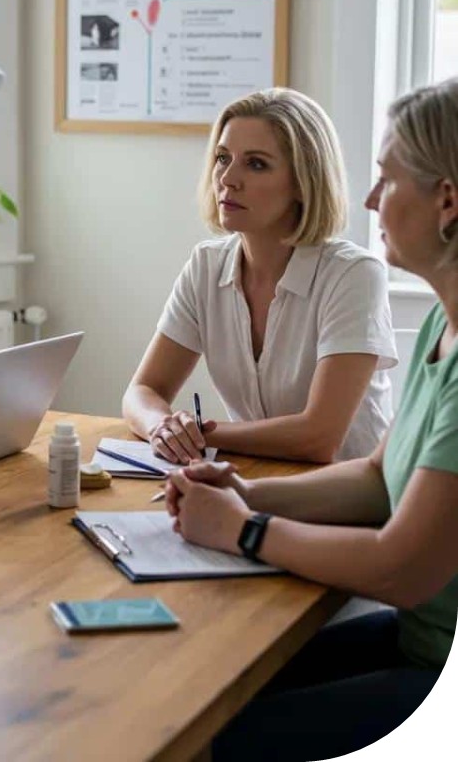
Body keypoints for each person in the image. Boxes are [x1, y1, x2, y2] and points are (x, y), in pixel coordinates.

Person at [164, 78, 458, 760]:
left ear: (447, 199)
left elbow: (402, 568)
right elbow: (375, 477)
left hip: (435, 664)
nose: (368, 200)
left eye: (386, 180)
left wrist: (243, 528)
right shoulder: (437, 332)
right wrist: (245, 491)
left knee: (211, 738)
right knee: (206, 685)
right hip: (417, 636)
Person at [122, 87, 396, 464]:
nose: (228, 179)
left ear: (303, 182)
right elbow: (143, 390)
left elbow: (319, 437)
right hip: (254, 480)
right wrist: (162, 427)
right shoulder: (206, 265)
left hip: (349, 502)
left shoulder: (354, 275)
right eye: (222, 158)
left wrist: (200, 434)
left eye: (256, 164)